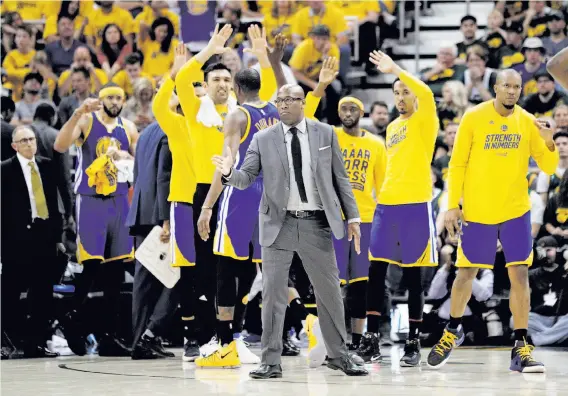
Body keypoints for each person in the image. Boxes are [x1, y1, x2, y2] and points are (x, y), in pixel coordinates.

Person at [213, 83, 368, 378]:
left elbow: (341, 179)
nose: (282, 105)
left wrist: (354, 217)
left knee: (330, 291)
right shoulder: (262, 138)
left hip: (317, 221)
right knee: (272, 294)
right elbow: (245, 178)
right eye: (279, 100)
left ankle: (338, 355)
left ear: (302, 103)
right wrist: (228, 172)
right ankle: (270, 361)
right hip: (276, 223)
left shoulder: (325, 133)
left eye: (289, 100)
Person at [427, 69, 558, 373]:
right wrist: (452, 205)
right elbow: (457, 163)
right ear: (496, 87)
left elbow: (549, 165)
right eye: (507, 86)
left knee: (520, 275)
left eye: (517, 87)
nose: (512, 91)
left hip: (515, 210)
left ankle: (521, 345)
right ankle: (452, 330)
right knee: (465, 273)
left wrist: (548, 140)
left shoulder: (526, 121)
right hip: (478, 211)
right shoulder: (474, 117)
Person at [173, 24, 277, 355]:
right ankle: (305, 330)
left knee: (229, 268)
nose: (221, 83)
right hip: (251, 192)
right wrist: (257, 55)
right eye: (215, 79)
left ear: (235, 86)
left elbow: (226, 164)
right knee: (262, 268)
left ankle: (227, 340)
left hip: (232, 192)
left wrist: (207, 207)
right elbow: (269, 87)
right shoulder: (269, 110)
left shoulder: (237, 115)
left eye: (226, 79)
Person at [54, 84, 139, 357]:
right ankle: (70, 317)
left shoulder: (129, 128)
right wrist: (78, 112)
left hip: (118, 201)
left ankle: (108, 335)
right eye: (109, 97)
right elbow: (60, 145)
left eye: (118, 97)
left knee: (115, 271)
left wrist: (127, 156)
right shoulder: (87, 121)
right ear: (100, 101)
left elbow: (139, 162)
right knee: (91, 265)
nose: (114, 101)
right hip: (90, 200)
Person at [367, 50, 439, 367]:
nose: (400, 97)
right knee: (375, 271)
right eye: (396, 92)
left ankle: (412, 342)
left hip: (415, 203)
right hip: (387, 203)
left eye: (404, 91)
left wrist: (397, 69)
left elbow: (424, 91)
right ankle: (370, 339)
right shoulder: (393, 126)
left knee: (412, 277)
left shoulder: (425, 117)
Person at [152, 43, 205, 362]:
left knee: (211, 271)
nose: (196, 100)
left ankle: (216, 332)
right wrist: (174, 75)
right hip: (183, 203)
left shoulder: (217, 123)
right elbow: (161, 106)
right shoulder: (176, 124)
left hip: (211, 203)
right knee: (187, 271)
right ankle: (190, 337)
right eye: (192, 95)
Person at [1, 126, 69, 358]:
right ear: (14, 146)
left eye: (32, 139)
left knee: (42, 293)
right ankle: (7, 341)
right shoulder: (5, 170)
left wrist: (58, 237)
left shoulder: (47, 166)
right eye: (24, 140)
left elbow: (54, 203)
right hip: (15, 239)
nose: (30, 143)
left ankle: (37, 343)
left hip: (44, 235)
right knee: (9, 292)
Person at [332, 96, 386, 362]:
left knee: (360, 284)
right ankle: (333, 337)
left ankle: (357, 340)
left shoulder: (375, 145)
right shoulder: (329, 138)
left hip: (365, 218)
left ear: (362, 112)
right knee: (335, 283)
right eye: (344, 107)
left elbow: (383, 186)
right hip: (334, 218)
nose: (348, 112)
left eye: (354, 108)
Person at [126, 120, 176, 360]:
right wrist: (166, 218)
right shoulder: (172, 127)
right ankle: (149, 334)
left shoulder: (146, 132)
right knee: (177, 277)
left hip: (142, 209)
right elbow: (163, 175)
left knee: (145, 284)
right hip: (159, 213)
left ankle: (142, 341)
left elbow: (138, 173)